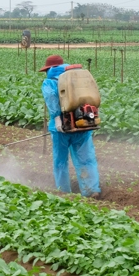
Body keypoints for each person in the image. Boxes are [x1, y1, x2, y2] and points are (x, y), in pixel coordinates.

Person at [39, 54, 101, 198]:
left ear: (49, 68)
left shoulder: (49, 82)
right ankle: (91, 190)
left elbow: (51, 99)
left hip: (61, 128)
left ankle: (63, 192)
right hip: (83, 124)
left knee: (60, 161)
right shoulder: (77, 78)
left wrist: (57, 118)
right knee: (86, 158)